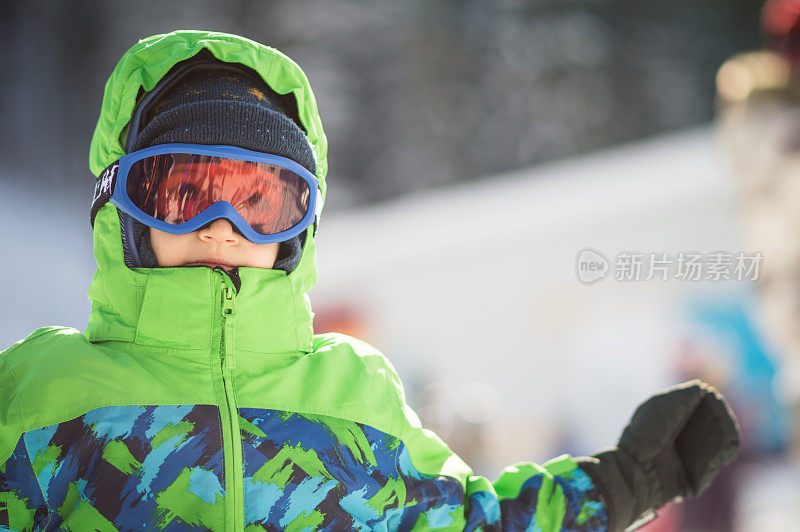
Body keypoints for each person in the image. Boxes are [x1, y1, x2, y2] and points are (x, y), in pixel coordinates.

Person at [0, 30, 740, 531]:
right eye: (186, 191)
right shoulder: (41, 392)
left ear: (298, 226)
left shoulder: (355, 396)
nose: (223, 224)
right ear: (122, 203)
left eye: (260, 200)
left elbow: (463, 520)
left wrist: (619, 484)